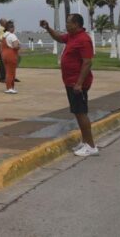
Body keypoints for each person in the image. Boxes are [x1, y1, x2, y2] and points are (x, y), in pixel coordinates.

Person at [40, 13, 98, 156]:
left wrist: (79, 83)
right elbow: (59, 38)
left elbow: (87, 62)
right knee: (77, 113)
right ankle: (85, 142)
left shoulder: (84, 39)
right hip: (70, 82)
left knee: (81, 112)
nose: (66, 25)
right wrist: (48, 28)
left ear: (76, 24)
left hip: (77, 83)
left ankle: (91, 146)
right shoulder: (72, 36)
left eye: (68, 22)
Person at [2, 20, 20, 93]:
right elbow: (15, 46)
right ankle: (10, 88)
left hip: (4, 55)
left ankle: (10, 87)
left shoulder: (4, 35)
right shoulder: (12, 35)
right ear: (11, 28)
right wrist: (19, 46)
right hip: (11, 54)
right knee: (11, 72)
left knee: (8, 71)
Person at [0, 16, 8, 83]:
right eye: (5, 21)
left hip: (5, 48)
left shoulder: (5, 29)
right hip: (2, 48)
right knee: (3, 63)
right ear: (2, 22)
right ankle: (2, 78)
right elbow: (0, 38)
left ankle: (7, 76)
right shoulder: (1, 29)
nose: (6, 22)